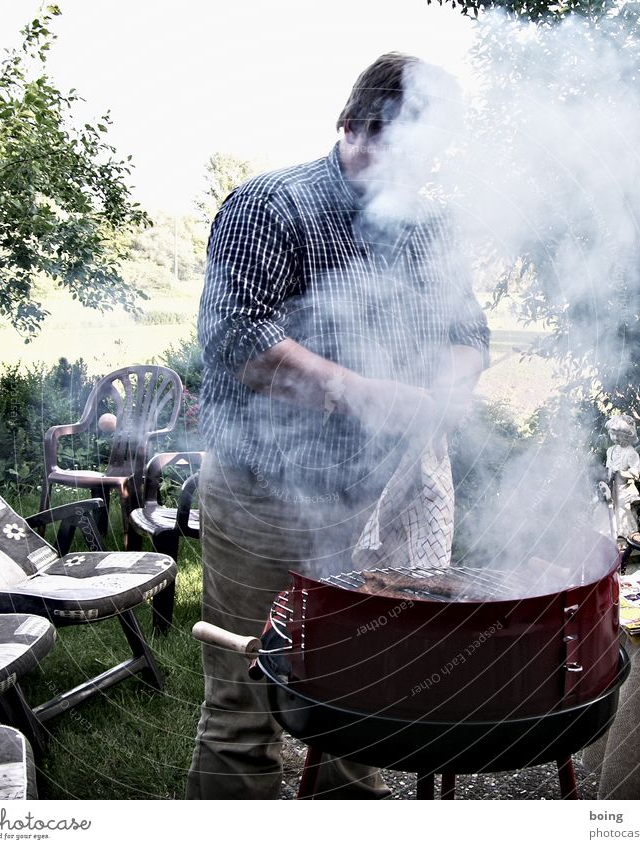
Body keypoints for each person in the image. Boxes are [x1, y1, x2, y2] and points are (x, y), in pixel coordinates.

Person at [186, 52, 490, 800]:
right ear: (353, 124)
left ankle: (346, 799)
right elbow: (237, 337)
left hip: (368, 498)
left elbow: (467, 331)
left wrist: (446, 389)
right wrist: (363, 394)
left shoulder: (429, 226)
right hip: (261, 498)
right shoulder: (269, 205)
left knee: (357, 687)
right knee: (244, 697)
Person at [604, 413, 640, 540]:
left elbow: (636, 472)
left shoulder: (631, 452)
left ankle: (627, 537)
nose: (615, 438)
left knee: (623, 512)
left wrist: (621, 473)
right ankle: (610, 535)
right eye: (613, 434)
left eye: (619, 435)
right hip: (611, 487)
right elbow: (608, 467)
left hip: (624, 490)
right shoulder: (610, 451)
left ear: (627, 435)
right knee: (608, 511)